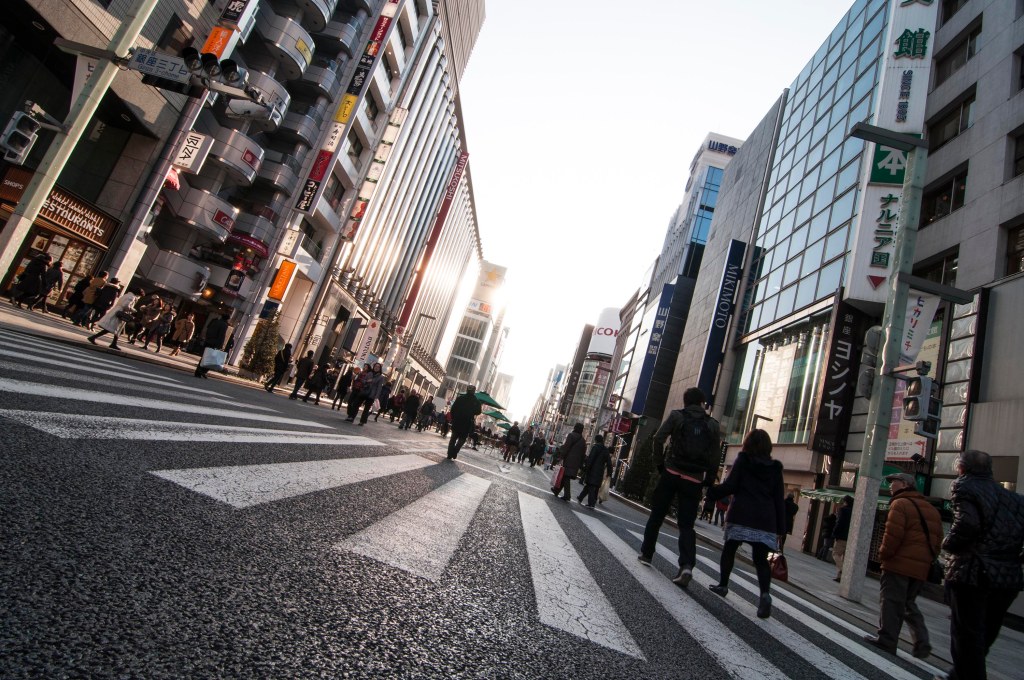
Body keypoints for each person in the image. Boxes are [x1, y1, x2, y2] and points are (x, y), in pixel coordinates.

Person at [940, 450, 1024, 680]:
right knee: (984, 634)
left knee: (966, 636)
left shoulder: (965, 486)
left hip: (973, 572)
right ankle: (958, 676)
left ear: (962, 469)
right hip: (1007, 578)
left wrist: (948, 543)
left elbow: (968, 524)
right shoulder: (1015, 499)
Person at [639, 387, 721, 588]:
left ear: (686, 401)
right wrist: (708, 479)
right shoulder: (712, 424)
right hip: (693, 480)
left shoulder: (677, 416)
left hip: (672, 472)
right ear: (702, 403)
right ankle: (686, 566)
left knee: (657, 515)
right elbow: (715, 455)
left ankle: (647, 554)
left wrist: (660, 464)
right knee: (686, 525)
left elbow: (658, 439)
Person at [705, 429, 785, 619]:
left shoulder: (743, 460)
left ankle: (723, 585)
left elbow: (731, 485)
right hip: (765, 519)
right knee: (761, 559)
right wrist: (781, 529)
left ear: (747, 444)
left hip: (742, 513)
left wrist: (711, 491)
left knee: (730, 549)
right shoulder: (775, 468)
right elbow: (778, 499)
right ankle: (764, 595)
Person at [862, 472, 942, 658]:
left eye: (894, 482)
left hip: (898, 564)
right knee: (908, 604)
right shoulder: (931, 510)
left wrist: (883, 555)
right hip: (921, 568)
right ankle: (922, 642)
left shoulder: (900, 504)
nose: (890, 486)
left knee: (891, 602)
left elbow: (892, 536)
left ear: (905, 484)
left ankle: (887, 640)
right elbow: (938, 542)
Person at [551, 422, 586, 501]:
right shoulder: (583, 440)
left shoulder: (571, 435)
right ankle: (556, 490)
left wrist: (560, 457)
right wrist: (580, 464)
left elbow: (566, 447)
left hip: (568, 460)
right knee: (565, 476)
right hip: (576, 463)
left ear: (575, 427)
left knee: (566, 477)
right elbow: (583, 454)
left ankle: (567, 495)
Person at [577, 433, 612, 508]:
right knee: (590, 485)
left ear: (596, 440)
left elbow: (591, 458)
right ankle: (580, 498)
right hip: (600, 471)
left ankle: (591, 503)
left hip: (592, 469)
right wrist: (609, 472)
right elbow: (609, 462)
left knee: (591, 486)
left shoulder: (595, 447)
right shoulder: (605, 450)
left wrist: (586, 468)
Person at [446, 386, 482, 460]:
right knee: (462, 439)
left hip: (457, 421)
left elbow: (453, 409)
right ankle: (455, 451)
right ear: (474, 391)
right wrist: (472, 411)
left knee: (453, 438)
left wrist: (453, 418)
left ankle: (450, 453)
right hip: (467, 423)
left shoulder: (460, 398)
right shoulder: (476, 401)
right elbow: (479, 411)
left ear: (467, 390)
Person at [194, 314, 229, 378]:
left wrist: (207, 339)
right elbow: (221, 336)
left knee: (205, 357)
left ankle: (198, 372)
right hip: (215, 343)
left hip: (208, 341)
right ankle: (203, 371)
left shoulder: (214, 321)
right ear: (227, 319)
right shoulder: (224, 325)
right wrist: (221, 345)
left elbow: (208, 329)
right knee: (212, 359)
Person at [832, 495, 854, 582]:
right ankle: (840, 577)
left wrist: (835, 533)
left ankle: (843, 570)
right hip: (851, 538)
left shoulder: (843, 510)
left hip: (841, 537)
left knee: (835, 554)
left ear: (845, 502)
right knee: (844, 557)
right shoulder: (854, 510)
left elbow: (839, 522)